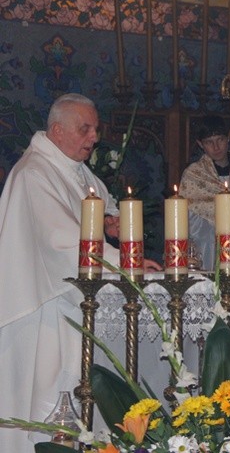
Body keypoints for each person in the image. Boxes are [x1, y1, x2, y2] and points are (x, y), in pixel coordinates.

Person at [0, 93, 161, 450]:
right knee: (50, 385)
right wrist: (123, 261)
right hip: (44, 306)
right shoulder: (34, 173)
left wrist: (112, 223)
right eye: (85, 129)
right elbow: (62, 238)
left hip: (74, 299)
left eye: (96, 129)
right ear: (57, 130)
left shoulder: (71, 168)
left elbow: (89, 218)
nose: (94, 138)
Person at [179, 115, 230, 271]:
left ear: (229, 139)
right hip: (208, 244)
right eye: (209, 142)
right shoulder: (194, 174)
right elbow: (188, 217)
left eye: (220, 140)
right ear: (200, 144)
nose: (216, 147)